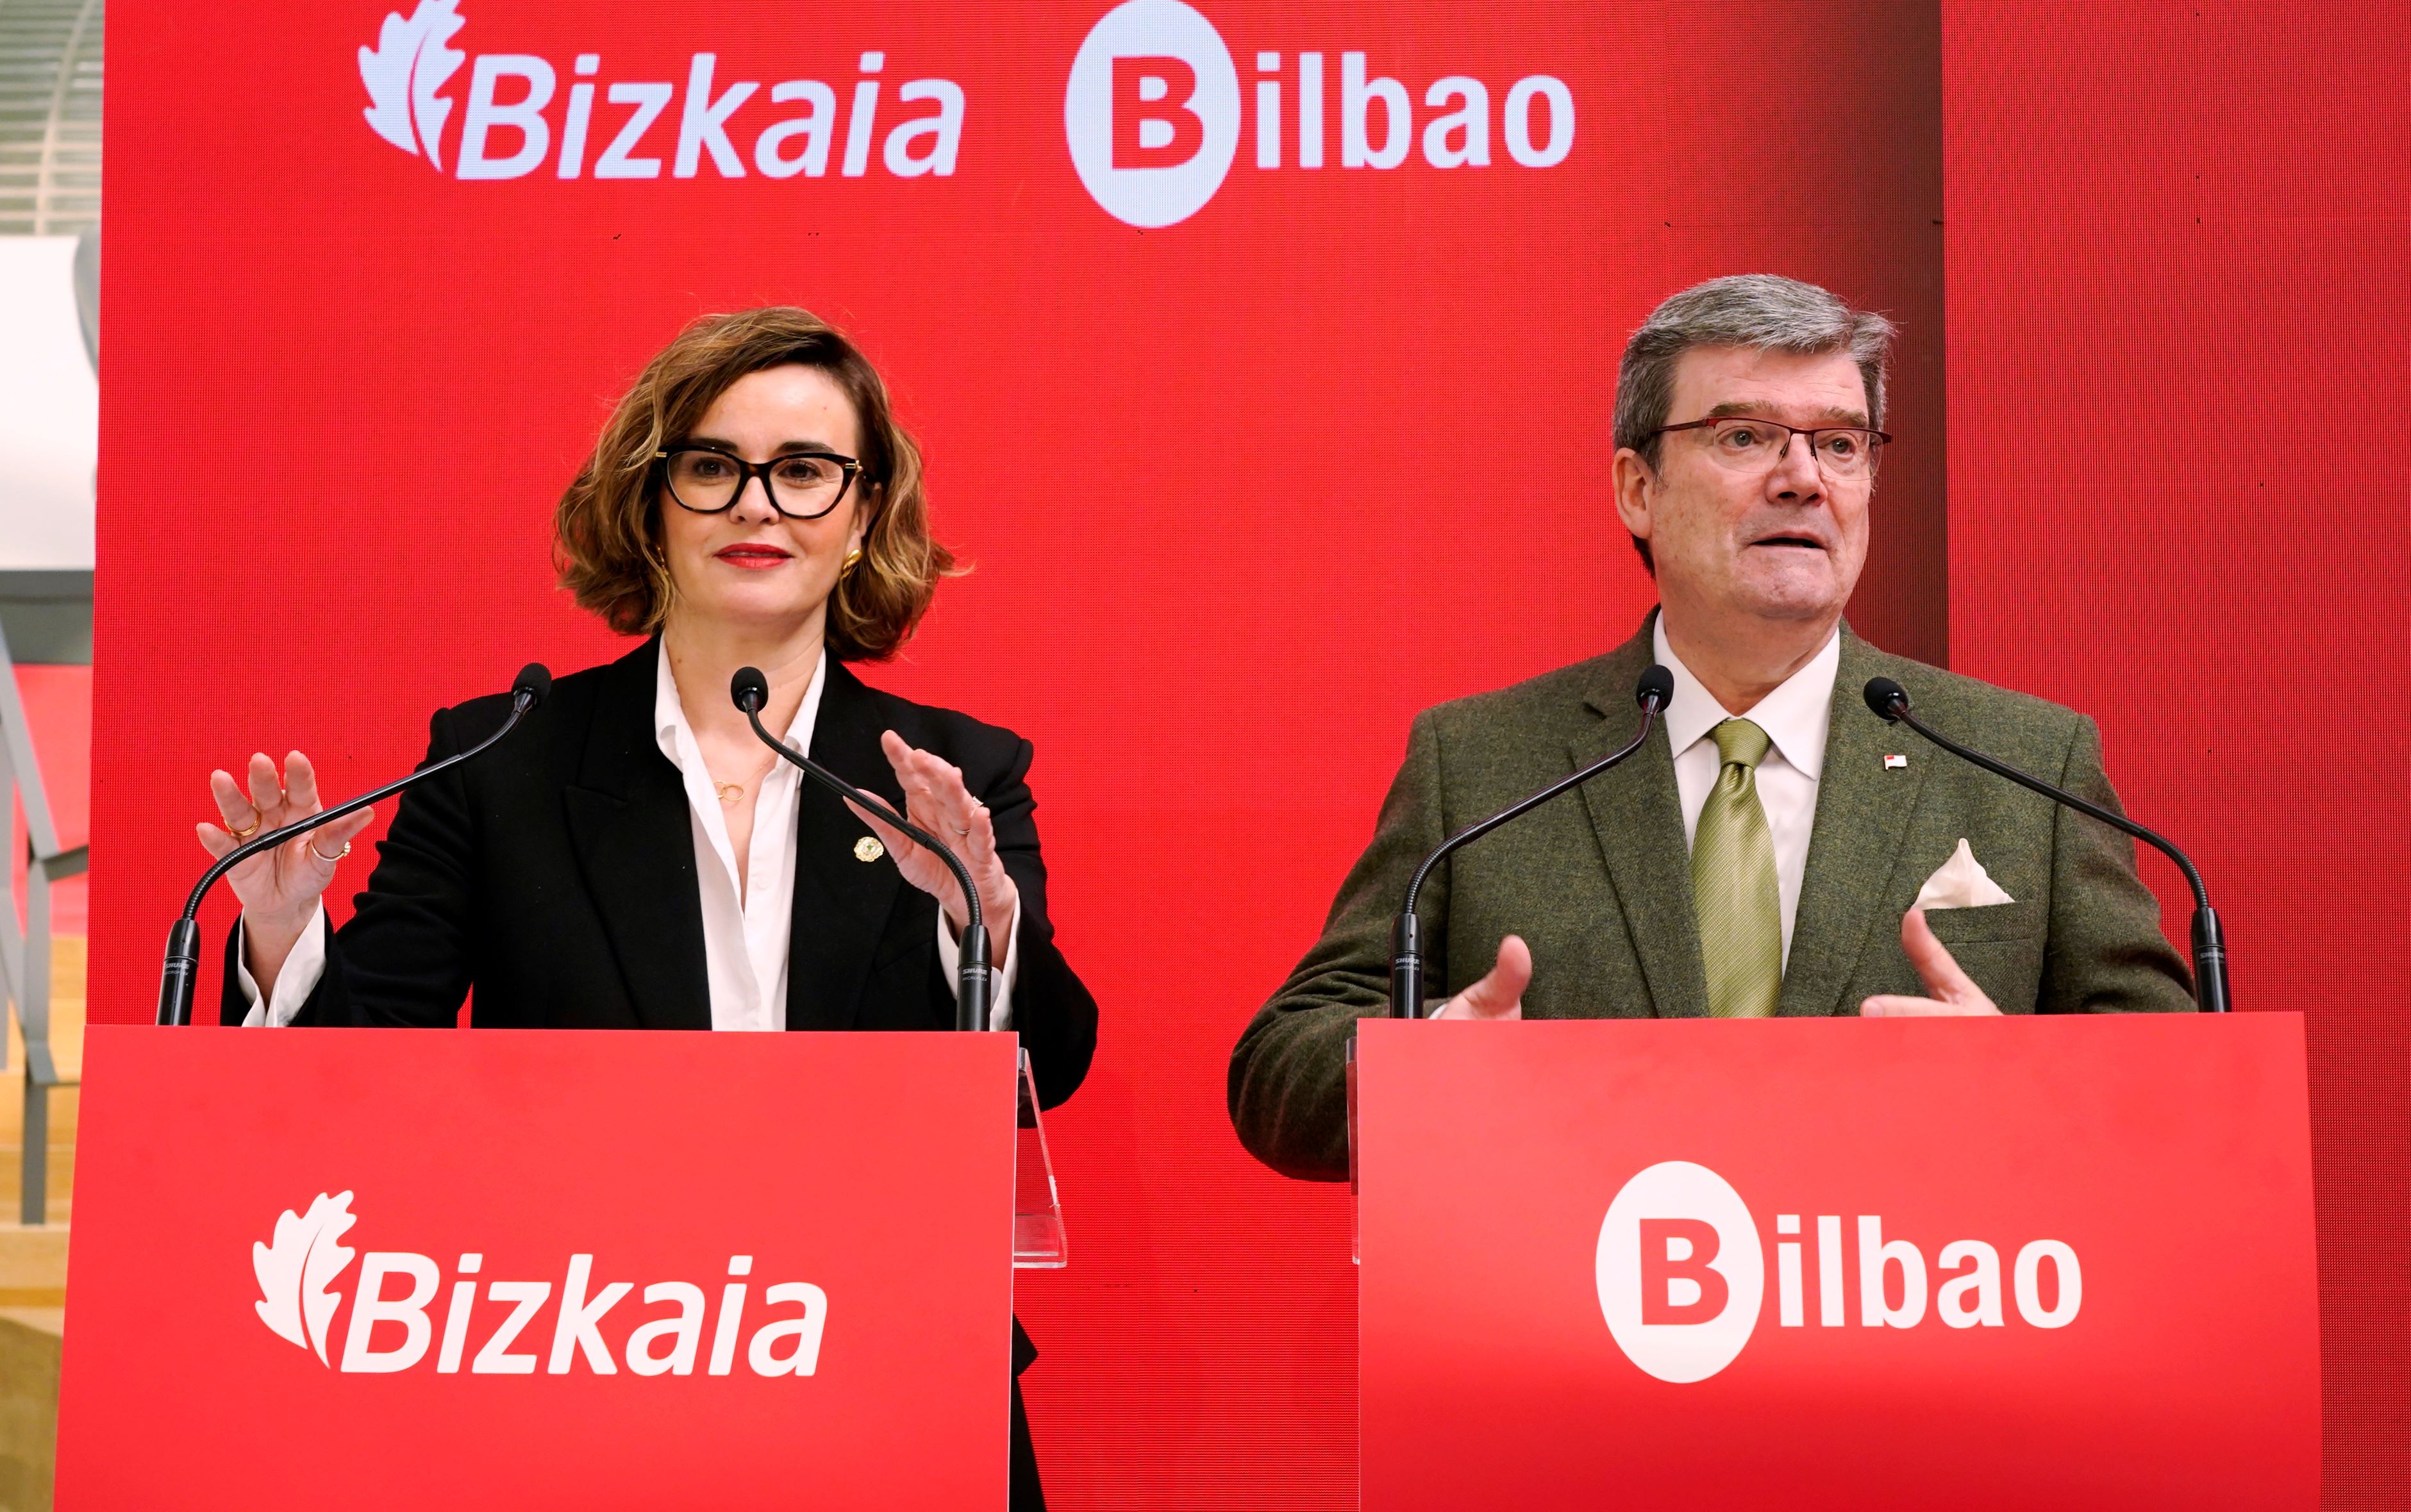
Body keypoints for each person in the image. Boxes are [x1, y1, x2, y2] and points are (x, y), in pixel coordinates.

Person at [199, 306, 1096, 1508]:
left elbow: (1055, 1065)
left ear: (863, 514)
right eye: (713, 466)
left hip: (892, 1366)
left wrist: (979, 915)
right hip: (580, 1356)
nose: (756, 506)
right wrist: (279, 931)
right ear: (650, 501)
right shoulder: (503, 760)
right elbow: (359, 1079)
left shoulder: (950, 773)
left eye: (805, 472)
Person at [1228, 274, 2191, 1181]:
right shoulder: (1484, 763)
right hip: (1574, 1293)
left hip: (1911, 1291)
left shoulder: (2025, 763)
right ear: (1636, 489)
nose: (1803, 479)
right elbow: (1282, 1064)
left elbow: (2176, 1086)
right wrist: (1430, 1067)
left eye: (1841, 445)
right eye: (1744, 437)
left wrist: (2023, 1089)